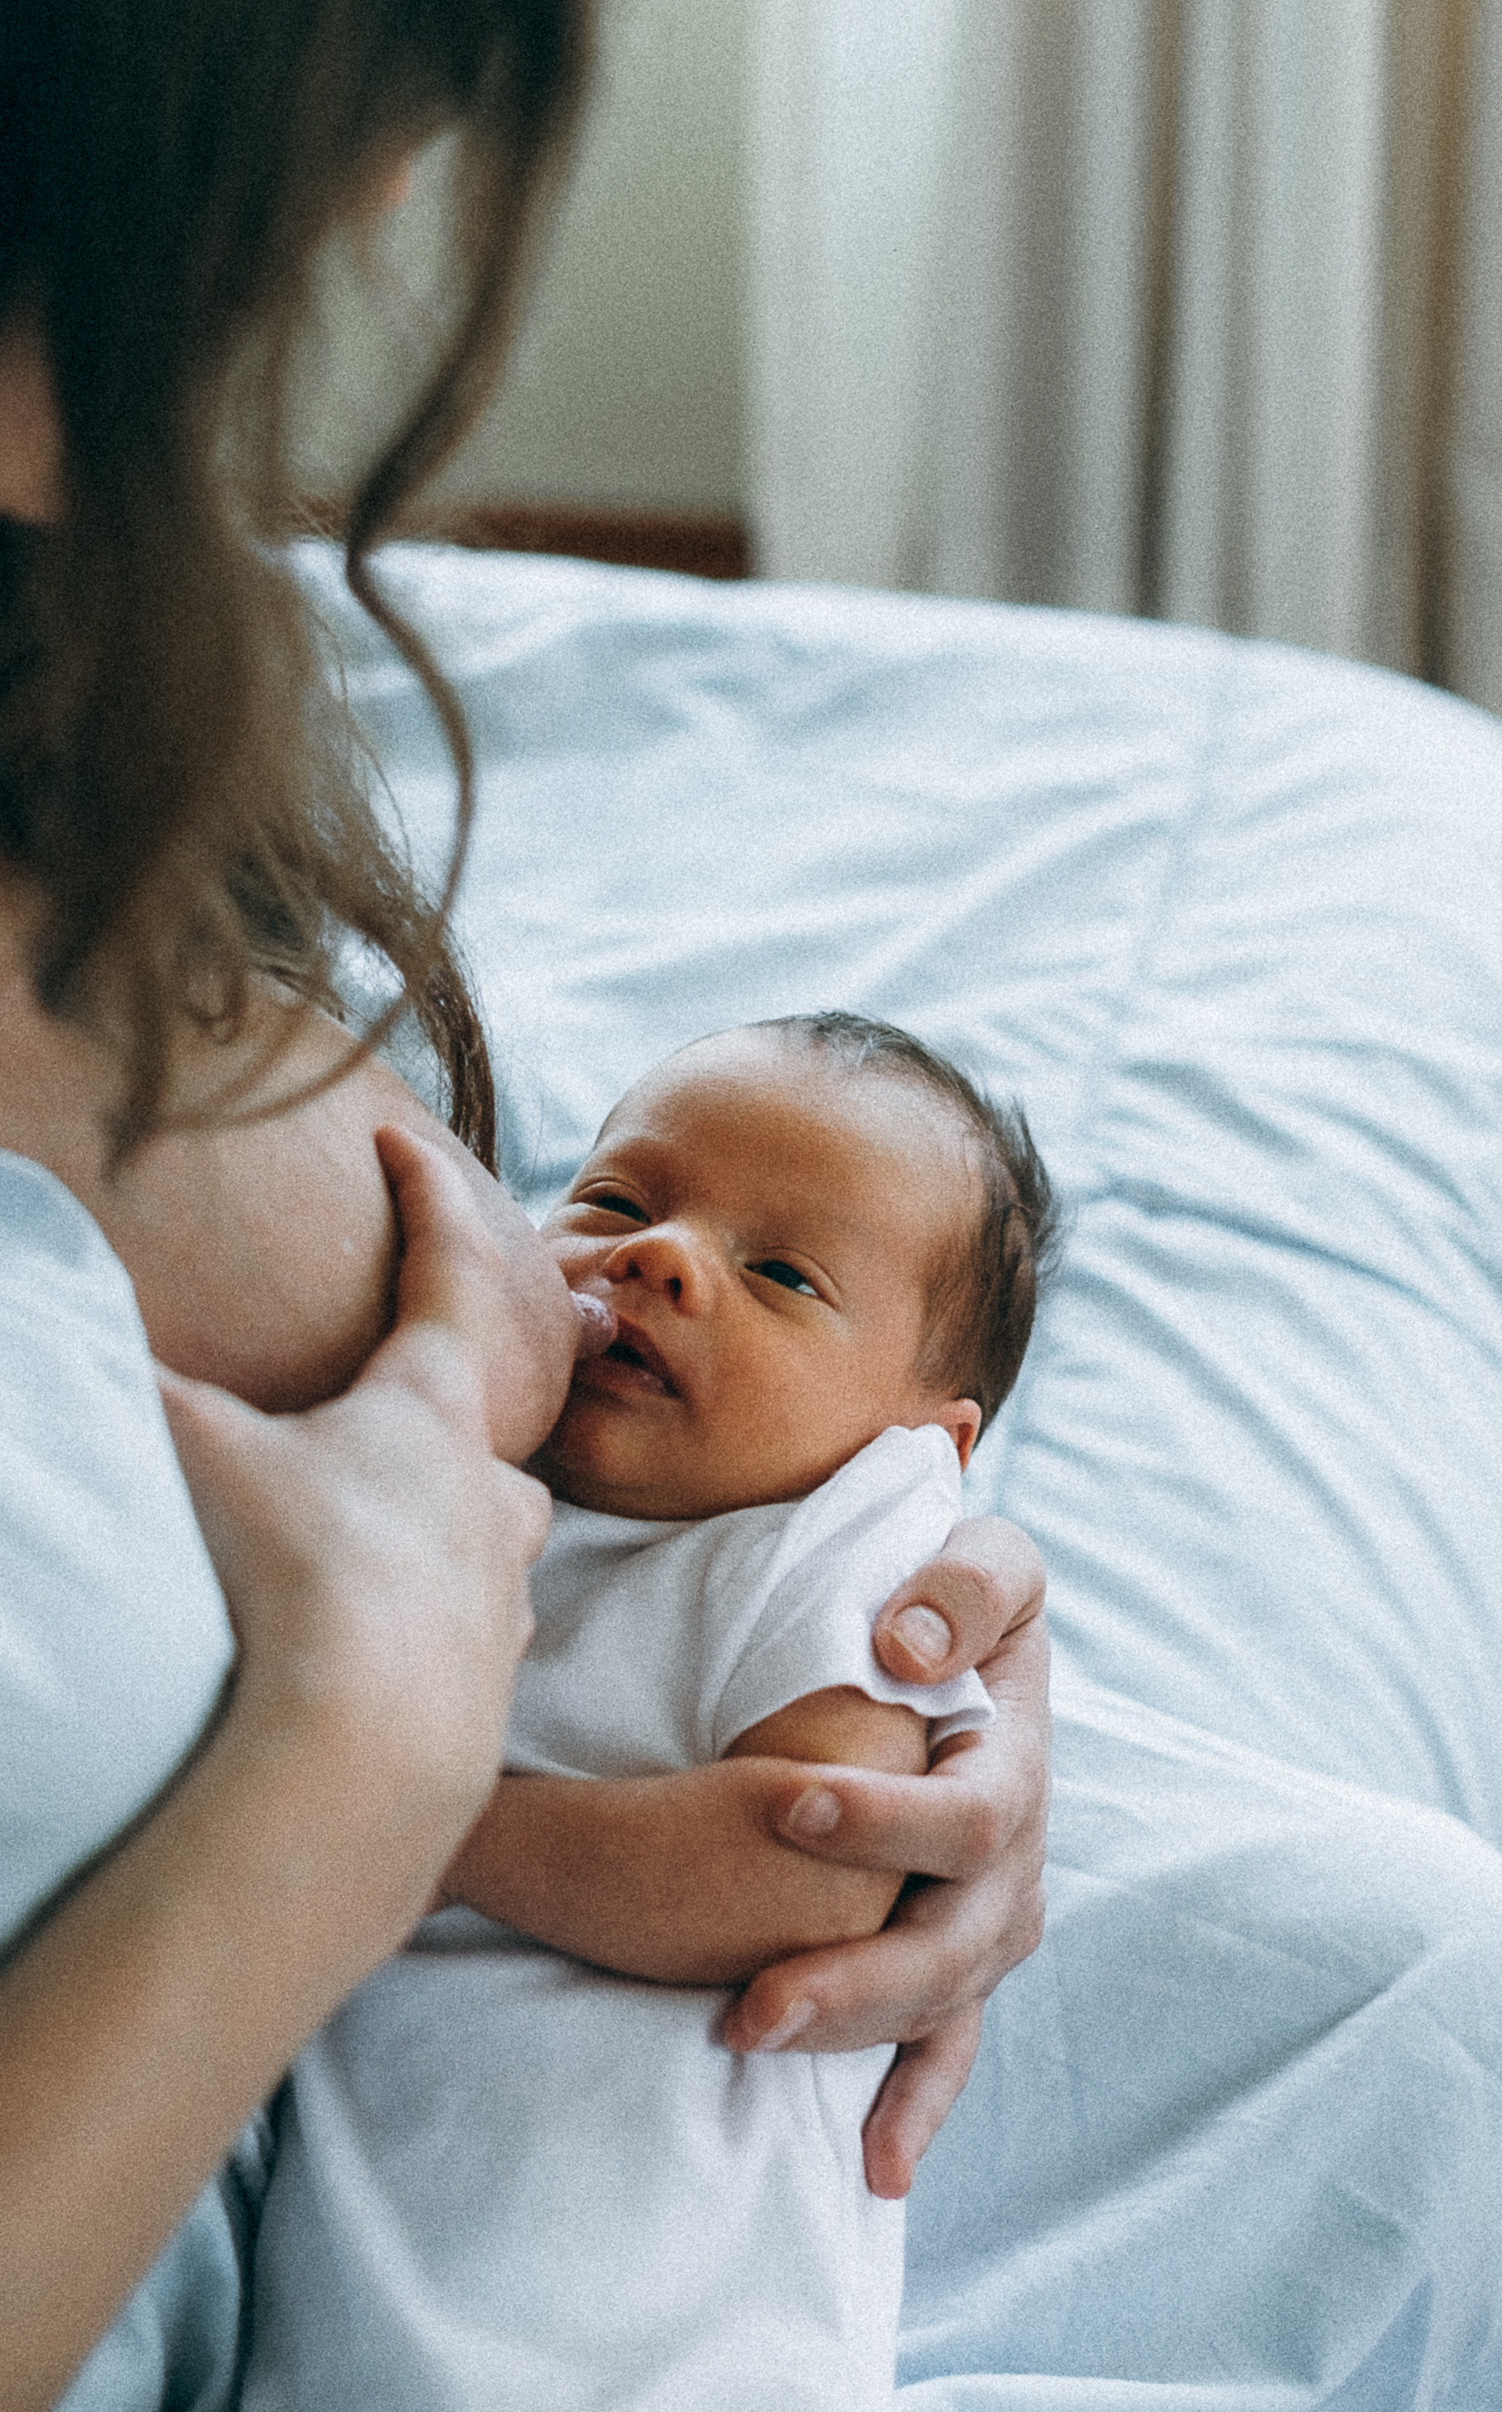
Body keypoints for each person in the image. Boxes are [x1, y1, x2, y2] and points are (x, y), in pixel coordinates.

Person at [0, 0, 1051, 2408]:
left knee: (1472, 2033)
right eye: (359, 22)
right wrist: (371, 1765)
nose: (384, 191)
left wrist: (876, 1645)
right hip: (298, 2166)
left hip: (490, 2055)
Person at [247, 1014, 1058, 2412]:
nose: (661, 1257)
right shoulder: (464, 1457)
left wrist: (412, 1817)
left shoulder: (842, 1532)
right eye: (616, 1202)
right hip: (381, 2279)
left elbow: (815, 1871)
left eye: (785, 1274)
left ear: (931, 1440)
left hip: (676, 2337)